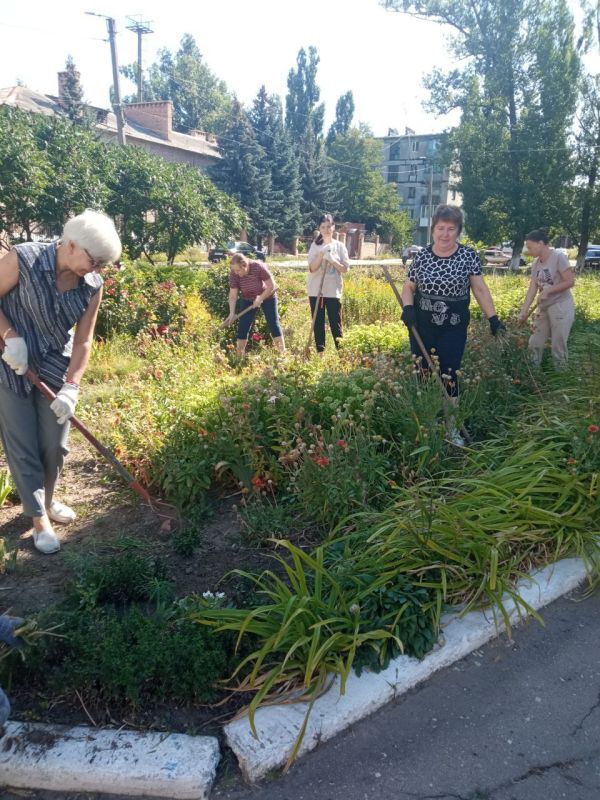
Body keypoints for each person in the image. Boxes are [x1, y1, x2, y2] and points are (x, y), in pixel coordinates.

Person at [0, 209, 121, 554]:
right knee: (22, 444)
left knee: (55, 444)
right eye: (94, 260)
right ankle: (38, 519)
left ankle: (48, 501)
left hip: (54, 364)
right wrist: (11, 337)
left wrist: (72, 386)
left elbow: (83, 341)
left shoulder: (91, 286)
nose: (97, 269)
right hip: (9, 362)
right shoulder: (24, 259)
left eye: (102, 264)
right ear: (71, 244)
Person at [400, 204, 505, 445]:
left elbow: (479, 288)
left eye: (450, 228)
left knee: (449, 375)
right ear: (433, 230)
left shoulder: (468, 256)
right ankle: (426, 426)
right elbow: (409, 287)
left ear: (458, 231)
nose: (444, 233)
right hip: (421, 327)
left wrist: (493, 318)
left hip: (453, 328)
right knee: (423, 374)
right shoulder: (422, 256)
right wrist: (407, 308)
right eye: (440, 228)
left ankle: (451, 429)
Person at [517, 228, 575, 366]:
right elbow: (533, 288)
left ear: (541, 243)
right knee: (534, 343)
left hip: (561, 306)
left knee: (558, 346)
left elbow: (570, 281)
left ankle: (561, 380)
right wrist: (524, 311)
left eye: (530, 247)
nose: (529, 251)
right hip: (543, 307)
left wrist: (549, 291)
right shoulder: (536, 263)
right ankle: (533, 379)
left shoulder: (558, 257)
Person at [225, 253, 285, 356]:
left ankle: (282, 354)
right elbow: (233, 295)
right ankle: (240, 356)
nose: (236, 272)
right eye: (234, 270)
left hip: (267, 296)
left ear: (244, 265)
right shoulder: (234, 273)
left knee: (273, 323)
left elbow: (271, 285)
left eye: (238, 270)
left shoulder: (258, 267)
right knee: (243, 326)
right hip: (248, 298)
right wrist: (231, 313)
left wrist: (260, 298)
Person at [307, 215, 350, 353]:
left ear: (333, 227)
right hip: (316, 290)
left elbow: (345, 269)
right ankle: (321, 355)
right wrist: (321, 255)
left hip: (333, 291)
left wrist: (332, 259)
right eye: (323, 227)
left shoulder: (340, 246)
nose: (326, 230)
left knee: (335, 323)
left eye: (328, 227)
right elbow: (312, 268)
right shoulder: (315, 246)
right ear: (319, 228)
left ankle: (342, 355)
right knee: (318, 323)